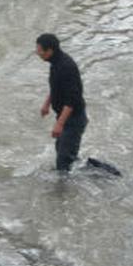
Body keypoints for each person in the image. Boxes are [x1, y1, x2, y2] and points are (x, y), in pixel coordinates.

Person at [35, 33, 87, 172]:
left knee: (63, 163)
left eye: (39, 50)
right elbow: (56, 88)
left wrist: (59, 124)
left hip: (74, 120)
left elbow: (72, 100)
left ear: (49, 51)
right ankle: (78, 172)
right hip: (66, 118)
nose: (37, 53)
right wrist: (47, 104)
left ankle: (63, 191)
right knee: (63, 152)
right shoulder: (55, 63)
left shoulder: (66, 67)